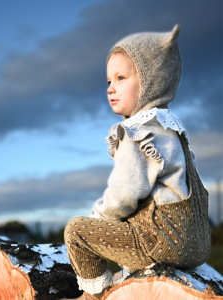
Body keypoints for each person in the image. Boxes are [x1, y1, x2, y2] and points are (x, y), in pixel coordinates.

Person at [64, 24, 211, 300]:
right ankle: (130, 274)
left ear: (151, 80)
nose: (111, 88)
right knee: (137, 222)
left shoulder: (139, 132)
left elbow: (124, 194)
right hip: (194, 243)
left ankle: (94, 295)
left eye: (121, 78)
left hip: (162, 242)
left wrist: (97, 220)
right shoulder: (172, 129)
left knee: (76, 232)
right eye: (108, 81)